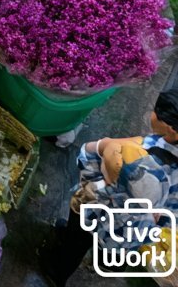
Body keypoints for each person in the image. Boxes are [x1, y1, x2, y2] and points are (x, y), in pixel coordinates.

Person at [38, 87, 178, 286]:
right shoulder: (166, 153)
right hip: (139, 222)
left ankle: (56, 271)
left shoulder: (143, 164)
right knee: (118, 242)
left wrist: (103, 147)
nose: (152, 114)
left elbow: (96, 157)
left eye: (157, 112)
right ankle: (108, 259)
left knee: (78, 235)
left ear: (172, 128)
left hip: (106, 208)